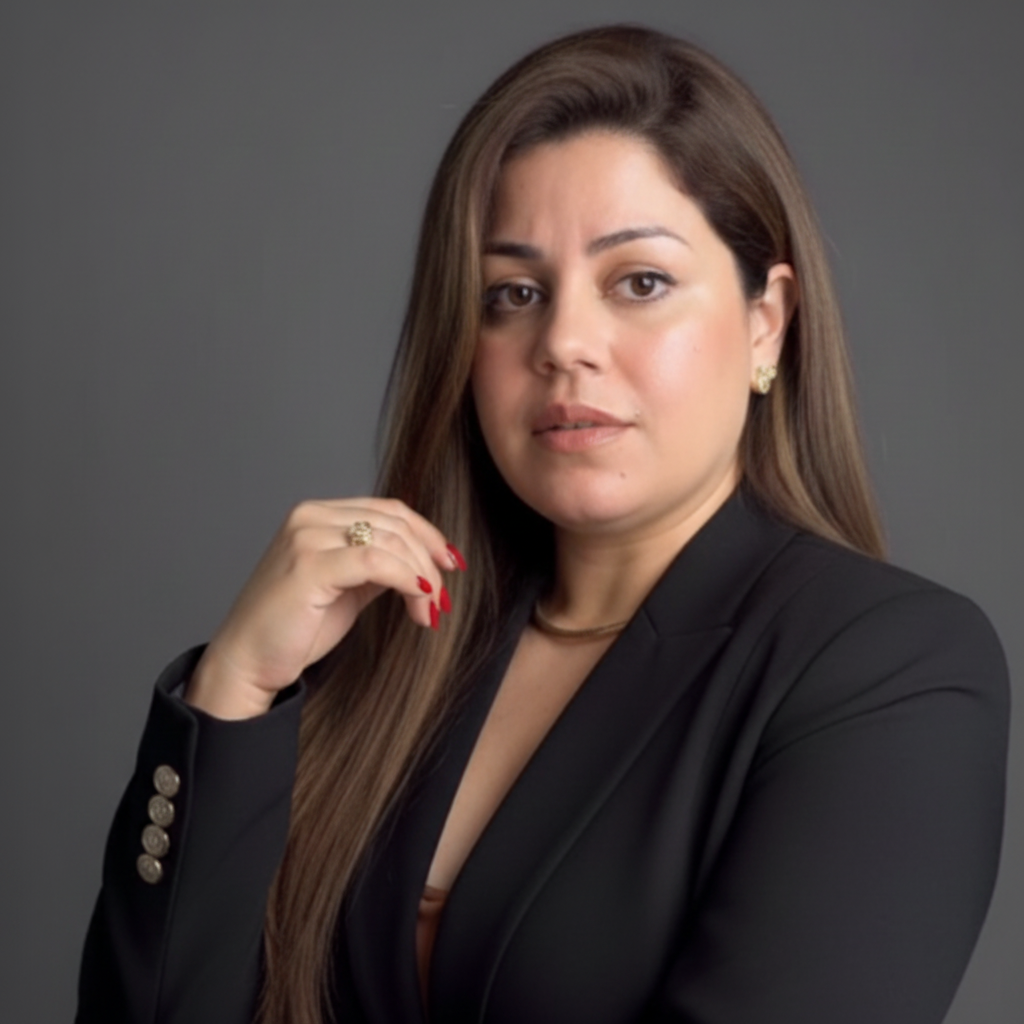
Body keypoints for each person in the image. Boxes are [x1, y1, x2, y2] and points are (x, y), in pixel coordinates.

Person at [75, 24, 1010, 1024]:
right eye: (513, 294)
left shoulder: (888, 667)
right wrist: (232, 695)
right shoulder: (389, 653)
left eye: (639, 282)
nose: (564, 342)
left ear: (765, 323)